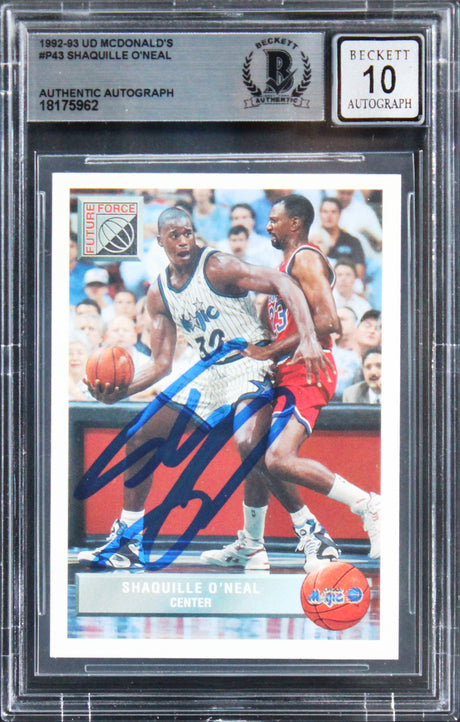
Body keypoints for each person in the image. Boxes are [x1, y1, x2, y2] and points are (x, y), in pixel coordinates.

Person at [79, 206, 329, 570]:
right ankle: (128, 540)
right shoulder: (159, 293)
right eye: (175, 236)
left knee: (249, 443)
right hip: (208, 372)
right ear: (160, 241)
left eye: (188, 233)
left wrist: (307, 336)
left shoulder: (217, 265)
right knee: (139, 436)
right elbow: (161, 364)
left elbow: (284, 283)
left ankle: (309, 530)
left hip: (249, 361)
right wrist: (119, 392)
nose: (183, 241)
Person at [201, 195, 381, 569]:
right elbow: (276, 333)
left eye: (274, 220)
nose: (267, 225)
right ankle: (252, 544)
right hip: (285, 371)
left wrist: (269, 351)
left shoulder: (306, 259)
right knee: (252, 449)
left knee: (278, 458)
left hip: (309, 369)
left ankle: (368, 505)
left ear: (294, 223)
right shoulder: (282, 269)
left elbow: (329, 323)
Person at [316, 197, 366, 281]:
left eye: (333, 212)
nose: (329, 216)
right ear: (319, 215)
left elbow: (359, 272)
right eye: (325, 212)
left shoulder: (352, 241)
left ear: (340, 214)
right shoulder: (311, 239)